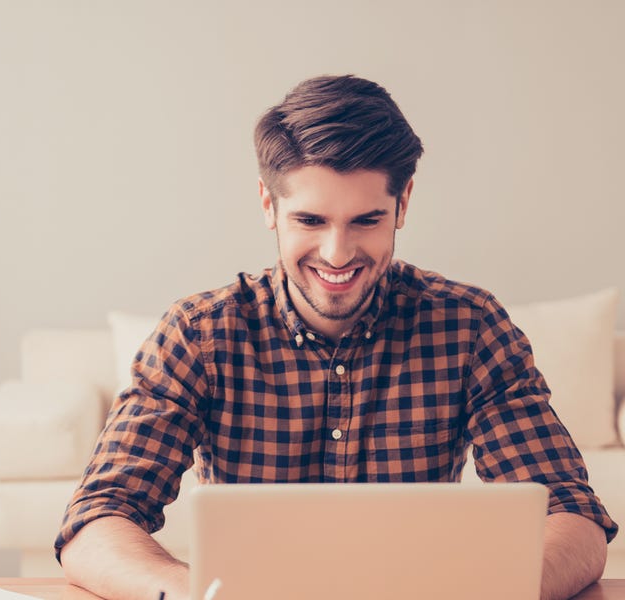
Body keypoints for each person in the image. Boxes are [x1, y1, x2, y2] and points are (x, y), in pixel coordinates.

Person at [56, 75, 618, 600]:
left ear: (403, 205)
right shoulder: (200, 335)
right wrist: (192, 593)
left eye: (365, 221)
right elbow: (98, 517)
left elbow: (571, 514)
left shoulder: (470, 328)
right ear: (267, 205)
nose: (337, 253)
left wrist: (486, 591)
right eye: (311, 221)